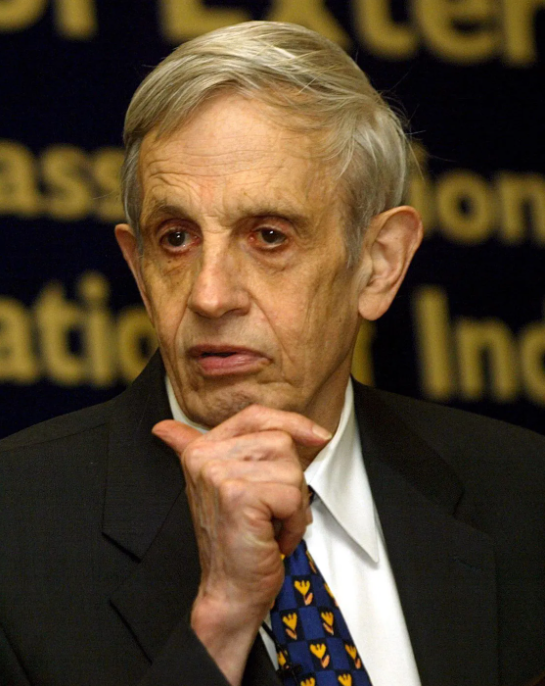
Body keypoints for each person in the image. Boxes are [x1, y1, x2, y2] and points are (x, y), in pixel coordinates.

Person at [0, 20, 544, 686]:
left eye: (268, 236)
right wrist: (221, 625)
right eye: (175, 239)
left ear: (378, 264)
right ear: (139, 270)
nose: (209, 295)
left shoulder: (523, 491)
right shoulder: (17, 528)